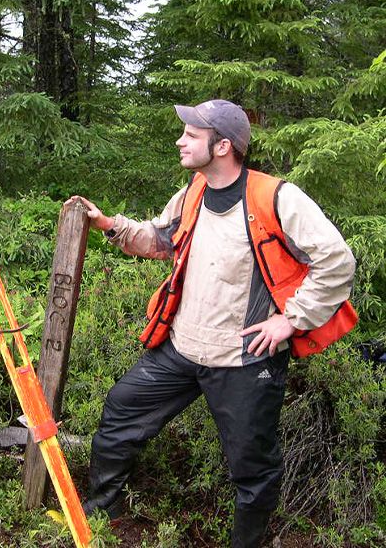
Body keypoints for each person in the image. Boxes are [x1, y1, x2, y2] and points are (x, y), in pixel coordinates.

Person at [67, 99, 357, 548]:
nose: (180, 140)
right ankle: (104, 510)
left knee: (252, 466)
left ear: (222, 146)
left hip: (245, 359)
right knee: (122, 409)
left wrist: (290, 320)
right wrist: (110, 224)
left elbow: (337, 262)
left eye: (191, 135)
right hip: (182, 348)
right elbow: (162, 239)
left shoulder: (276, 197)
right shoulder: (194, 191)